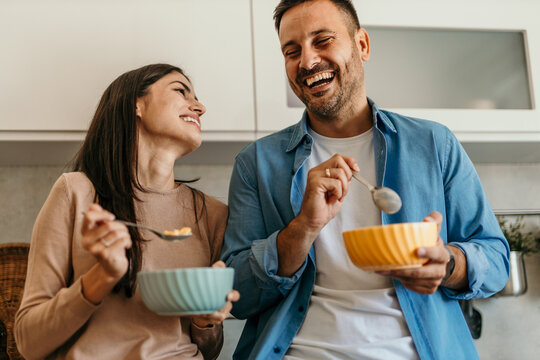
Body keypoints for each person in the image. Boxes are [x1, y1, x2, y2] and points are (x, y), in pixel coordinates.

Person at [220, 1, 509, 359]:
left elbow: (496, 261)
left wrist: (448, 263)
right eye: (291, 51)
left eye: (322, 41)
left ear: (362, 45)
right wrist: (303, 229)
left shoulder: (434, 143)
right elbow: (234, 295)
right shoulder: (255, 164)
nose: (307, 62)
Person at [15, 63, 239, 360]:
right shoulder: (76, 192)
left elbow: (209, 349)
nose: (200, 107)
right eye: (180, 91)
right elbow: (29, 342)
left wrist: (205, 320)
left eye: (196, 98)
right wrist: (103, 276)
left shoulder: (212, 214)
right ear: (137, 104)